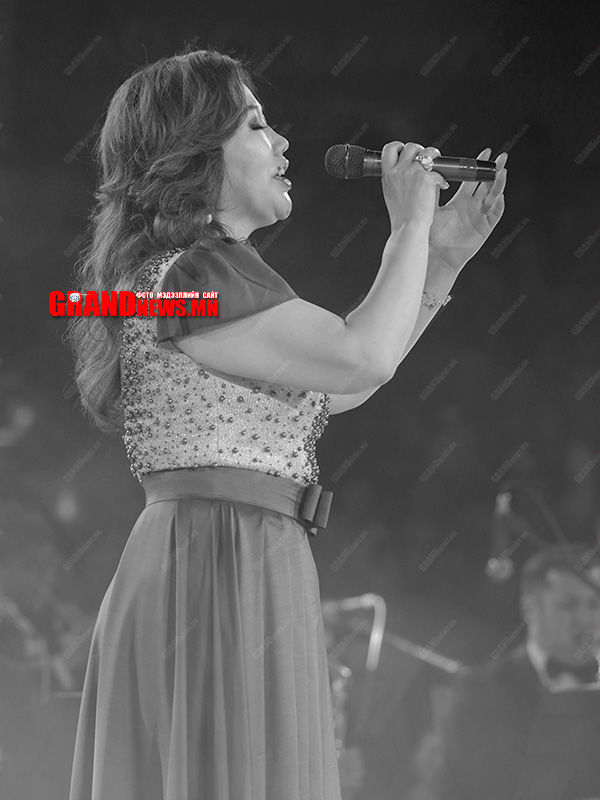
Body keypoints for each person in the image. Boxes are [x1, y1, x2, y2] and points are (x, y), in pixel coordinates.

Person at [66, 46, 507, 800]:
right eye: (255, 125)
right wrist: (408, 226)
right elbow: (359, 357)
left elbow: (339, 385)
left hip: (232, 550)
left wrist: (438, 262)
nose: (283, 143)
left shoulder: (194, 273)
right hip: (218, 557)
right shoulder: (197, 274)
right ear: (196, 152)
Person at [422, 543, 600, 800]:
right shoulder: (480, 690)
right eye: (569, 605)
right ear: (530, 610)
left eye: (594, 604)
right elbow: (453, 789)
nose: (586, 619)